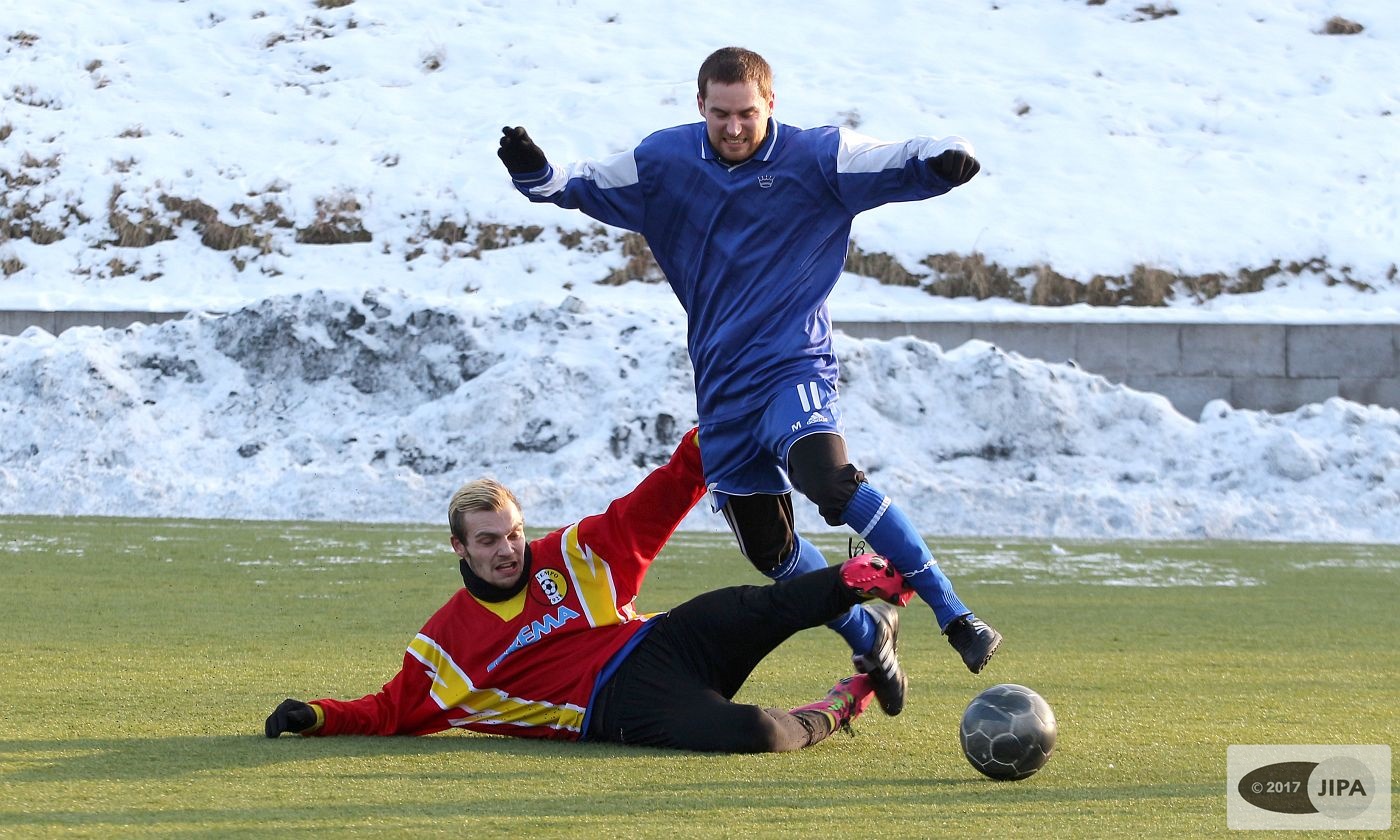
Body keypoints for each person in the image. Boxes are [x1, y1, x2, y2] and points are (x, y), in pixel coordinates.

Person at [495, 47, 1001, 717]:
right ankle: (868, 633)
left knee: (829, 482)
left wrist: (947, 159)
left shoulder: (817, 158)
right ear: (700, 106)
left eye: (747, 114)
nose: (734, 127)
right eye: (721, 114)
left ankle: (955, 615)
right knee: (773, 553)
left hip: (793, 367)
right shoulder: (664, 162)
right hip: (721, 391)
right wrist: (532, 169)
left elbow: (903, 158)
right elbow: (575, 183)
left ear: (771, 105)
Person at [265, 428, 917, 752]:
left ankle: (877, 578)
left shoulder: (572, 556)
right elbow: (386, 712)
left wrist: (717, 427)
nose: (506, 550)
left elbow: (661, 495)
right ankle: (848, 698)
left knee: (759, 605)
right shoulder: (445, 646)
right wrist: (315, 715)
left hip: (666, 641)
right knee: (757, 734)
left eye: (513, 534)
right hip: (622, 710)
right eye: (488, 541)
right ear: (459, 548)